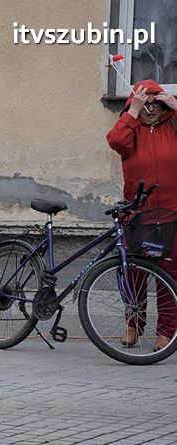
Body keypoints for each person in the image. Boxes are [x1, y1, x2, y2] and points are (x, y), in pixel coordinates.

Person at [107, 79, 177, 351]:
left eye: (155, 103)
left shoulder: (172, 124)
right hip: (138, 213)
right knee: (133, 273)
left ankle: (166, 331)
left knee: (168, 274)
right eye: (144, 104)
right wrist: (132, 112)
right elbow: (115, 141)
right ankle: (133, 324)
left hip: (171, 212)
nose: (150, 109)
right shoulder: (130, 130)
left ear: (163, 104)